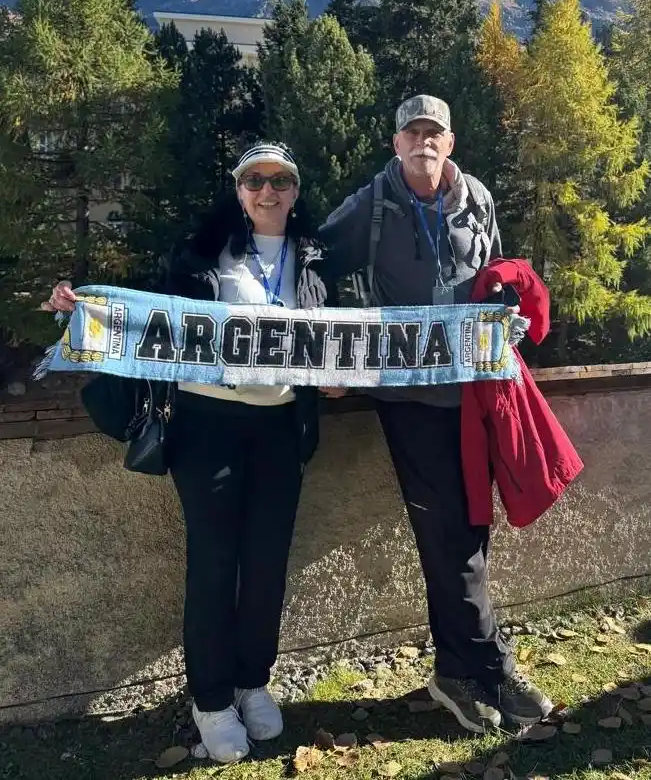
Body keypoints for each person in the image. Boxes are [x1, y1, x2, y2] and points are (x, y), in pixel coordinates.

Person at [43, 142, 335, 764]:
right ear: (238, 190)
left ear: (295, 191)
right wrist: (86, 310)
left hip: (282, 428)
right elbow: (146, 317)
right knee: (214, 562)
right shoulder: (200, 253)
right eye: (254, 180)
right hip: (208, 427)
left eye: (279, 181)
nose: (267, 192)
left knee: (266, 564)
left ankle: (252, 680)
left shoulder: (313, 260)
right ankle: (210, 698)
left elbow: (339, 340)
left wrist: (338, 375)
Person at [319, 95, 553, 734]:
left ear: (450, 142)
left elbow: (495, 276)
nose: (423, 141)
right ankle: (485, 667)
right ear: (396, 143)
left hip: (475, 394)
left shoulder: (475, 198)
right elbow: (314, 264)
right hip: (410, 402)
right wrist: (333, 354)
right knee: (446, 535)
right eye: (412, 132)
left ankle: (466, 668)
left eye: (434, 132)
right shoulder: (371, 204)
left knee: (472, 530)